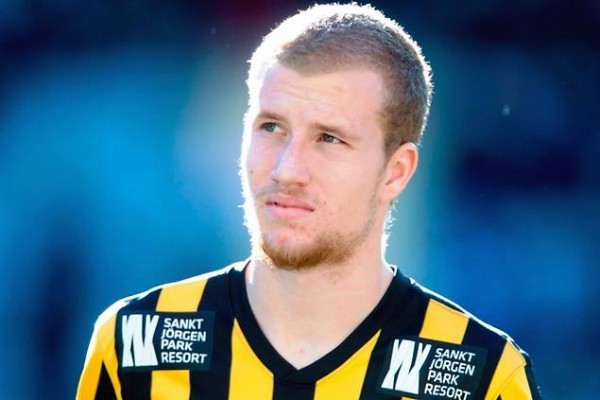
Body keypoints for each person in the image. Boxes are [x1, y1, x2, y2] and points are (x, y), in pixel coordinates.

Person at [77, 3, 541, 399]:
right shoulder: (133, 342)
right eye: (271, 127)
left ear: (396, 171)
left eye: (329, 138)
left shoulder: (482, 376)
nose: (286, 169)